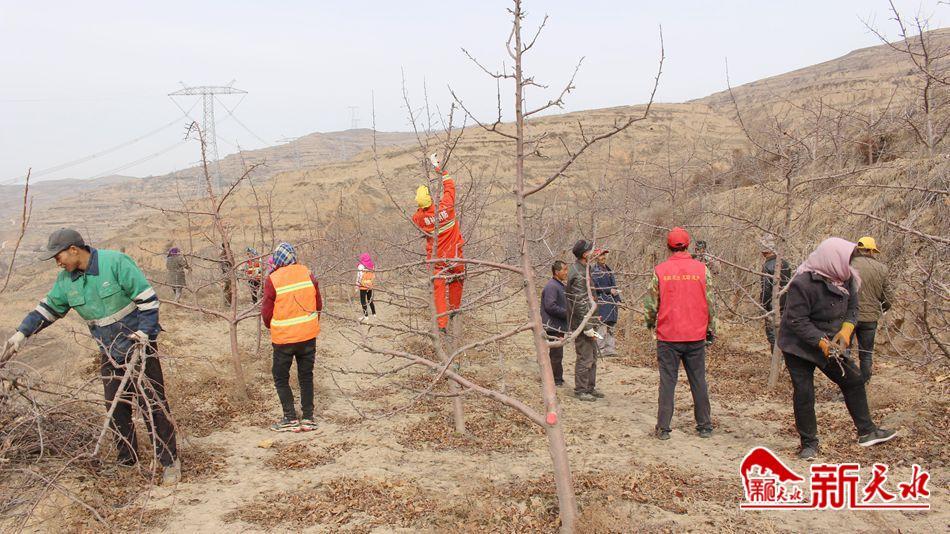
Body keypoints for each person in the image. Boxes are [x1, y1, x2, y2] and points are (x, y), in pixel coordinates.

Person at [2, 229, 180, 484]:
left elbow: (147, 299)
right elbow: (48, 309)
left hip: (138, 345)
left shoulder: (115, 262)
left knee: (152, 403)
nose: (57, 262)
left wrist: (145, 333)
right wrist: (22, 334)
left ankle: (169, 461)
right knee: (115, 406)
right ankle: (127, 460)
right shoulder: (66, 281)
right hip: (109, 351)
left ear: (74, 249)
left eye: (58, 256)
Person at [778, 237, 897, 460]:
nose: (849, 264)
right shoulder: (802, 283)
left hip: (831, 342)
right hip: (798, 346)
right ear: (832, 259)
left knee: (853, 379)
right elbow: (797, 320)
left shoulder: (846, 278)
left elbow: (853, 307)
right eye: (846, 259)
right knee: (804, 392)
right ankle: (809, 443)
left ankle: (867, 432)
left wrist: (847, 329)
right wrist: (821, 342)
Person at [643, 227, 716, 440]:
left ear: (668, 246)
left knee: (667, 382)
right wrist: (711, 328)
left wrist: (650, 324)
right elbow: (711, 303)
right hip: (695, 335)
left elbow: (651, 304)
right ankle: (705, 426)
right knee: (698, 380)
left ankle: (663, 428)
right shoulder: (702, 270)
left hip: (668, 336)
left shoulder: (660, 270)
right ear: (688, 245)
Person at [261, 242, 323, 432]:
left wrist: (273, 326)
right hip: (308, 335)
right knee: (306, 376)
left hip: (284, 339)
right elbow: (318, 303)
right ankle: (308, 418)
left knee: (280, 377)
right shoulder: (307, 273)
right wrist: (311, 322)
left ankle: (290, 418)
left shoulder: (273, 279)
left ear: (278, 259)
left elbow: (266, 313)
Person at [412, 153, 464, 332]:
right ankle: (454, 309)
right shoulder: (447, 206)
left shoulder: (419, 218)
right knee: (458, 279)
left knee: (438, 290)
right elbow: (449, 186)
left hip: (436, 259)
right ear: (432, 198)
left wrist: (422, 207)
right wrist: (438, 168)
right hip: (454, 254)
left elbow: (418, 215)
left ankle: (442, 323)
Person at [849, 237, 893, 384]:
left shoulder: (848, 265)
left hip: (849, 316)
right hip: (870, 318)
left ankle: (848, 385)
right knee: (866, 354)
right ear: (872, 251)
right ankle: (864, 384)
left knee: (845, 352)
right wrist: (882, 308)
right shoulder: (881, 268)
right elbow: (888, 297)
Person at [567, 239, 604, 401]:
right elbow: (580, 302)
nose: (593, 253)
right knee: (585, 357)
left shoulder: (584, 269)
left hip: (590, 320)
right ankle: (581, 390)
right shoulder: (578, 272)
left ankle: (590, 387)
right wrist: (587, 326)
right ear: (584, 254)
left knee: (593, 356)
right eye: (590, 250)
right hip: (582, 323)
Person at [759, 235, 792, 353]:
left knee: (773, 336)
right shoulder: (786, 264)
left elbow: (766, 290)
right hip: (786, 305)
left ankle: (776, 359)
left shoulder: (767, 266)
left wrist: (764, 306)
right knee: (784, 334)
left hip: (773, 306)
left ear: (765, 252)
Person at [541, 260, 569, 386]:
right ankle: (555, 380)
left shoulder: (559, 285)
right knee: (556, 354)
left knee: (557, 354)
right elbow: (550, 306)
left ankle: (557, 378)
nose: (566, 272)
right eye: (564, 270)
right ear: (557, 272)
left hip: (558, 325)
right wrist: (567, 313)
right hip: (553, 325)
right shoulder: (552, 286)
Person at [591, 249, 621, 357]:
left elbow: (614, 286)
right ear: (596, 257)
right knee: (602, 326)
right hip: (602, 302)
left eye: (604, 255)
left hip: (611, 303)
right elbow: (595, 287)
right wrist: (609, 290)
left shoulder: (608, 269)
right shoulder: (594, 271)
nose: (603, 257)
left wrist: (618, 300)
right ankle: (600, 349)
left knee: (611, 326)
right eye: (600, 255)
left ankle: (610, 349)